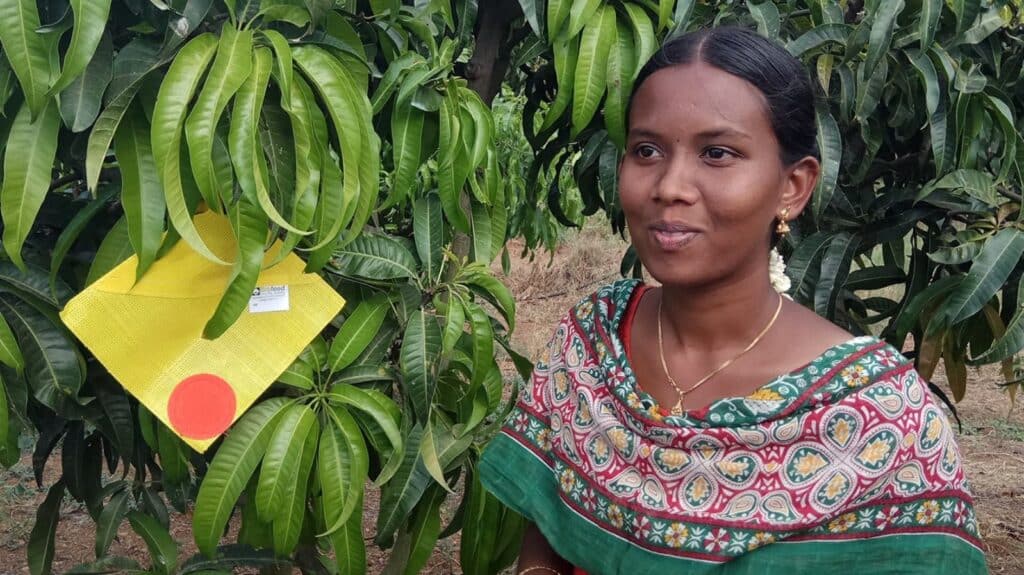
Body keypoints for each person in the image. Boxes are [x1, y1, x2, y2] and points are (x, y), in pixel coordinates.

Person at [478, 26, 987, 575]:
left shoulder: (882, 416)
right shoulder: (593, 342)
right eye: (646, 150)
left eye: (717, 153)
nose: (670, 185)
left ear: (792, 186)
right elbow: (549, 525)